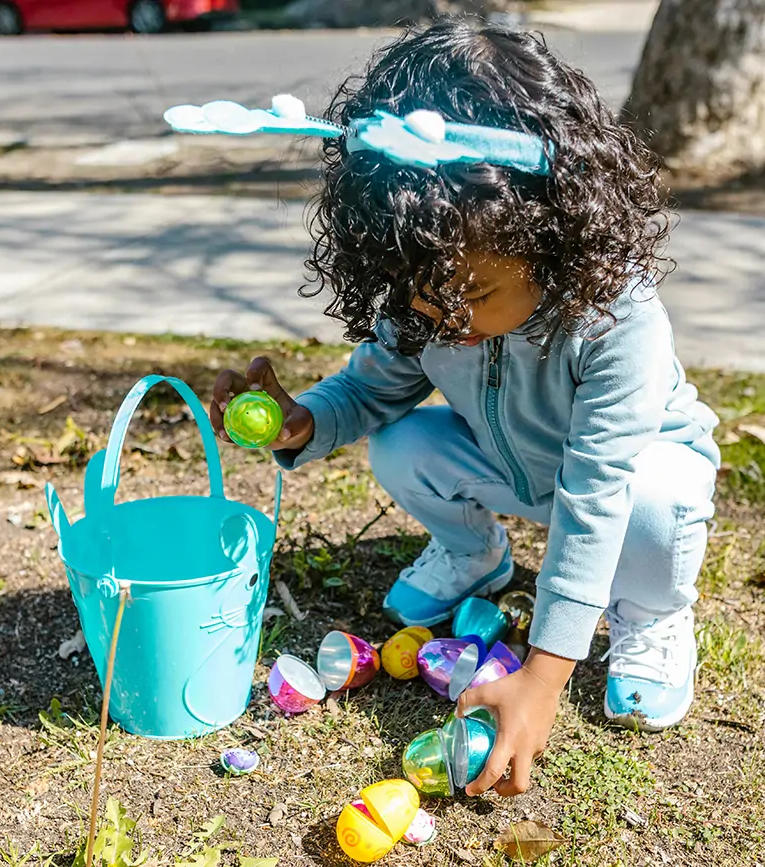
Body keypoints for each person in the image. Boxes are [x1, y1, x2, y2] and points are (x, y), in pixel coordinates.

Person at [204, 19, 720, 798]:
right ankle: (478, 556)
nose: (448, 318)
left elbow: (595, 491)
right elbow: (371, 389)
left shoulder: (618, 318)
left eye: (475, 294)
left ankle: (649, 613)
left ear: (552, 236)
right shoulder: (433, 292)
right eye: (423, 293)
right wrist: (301, 419)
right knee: (402, 439)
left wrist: (543, 676)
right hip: (517, 470)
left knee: (650, 502)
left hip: (631, 482)